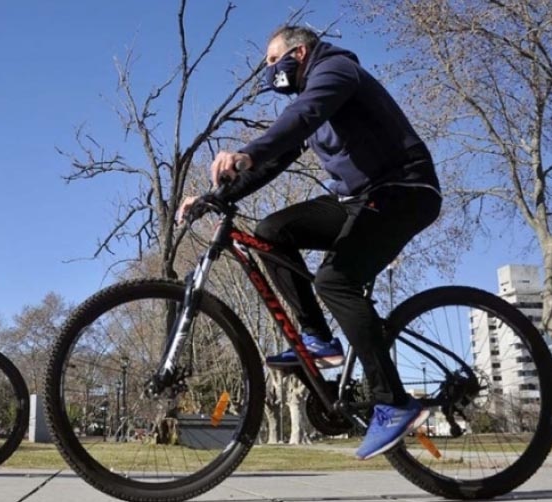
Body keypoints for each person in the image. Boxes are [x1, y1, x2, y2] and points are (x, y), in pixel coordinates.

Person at [178, 26, 442, 460]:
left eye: (271, 61)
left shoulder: (336, 70)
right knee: (272, 231)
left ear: (299, 52)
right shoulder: (310, 101)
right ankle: (319, 339)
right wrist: (216, 197)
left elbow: (307, 112)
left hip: (403, 191)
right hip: (360, 199)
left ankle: (393, 401)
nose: (268, 71)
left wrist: (247, 150)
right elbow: (278, 157)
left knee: (335, 281)